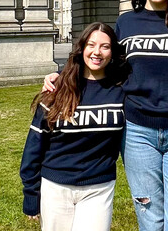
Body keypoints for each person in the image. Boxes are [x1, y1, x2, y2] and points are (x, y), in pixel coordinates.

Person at [43, 0, 168, 231]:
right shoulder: (126, 22)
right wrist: (62, 75)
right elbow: (102, 61)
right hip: (138, 132)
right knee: (150, 221)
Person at [20, 22, 127, 231]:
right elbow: (34, 145)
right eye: (91, 45)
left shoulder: (122, 91)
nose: (97, 52)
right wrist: (31, 194)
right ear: (81, 48)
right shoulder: (57, 91)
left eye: (105, 46)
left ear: (112, 51)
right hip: (55, 186)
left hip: (99, 187)